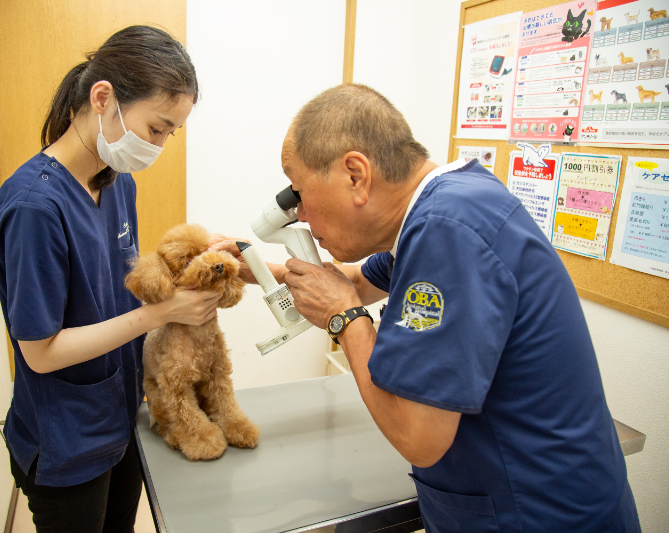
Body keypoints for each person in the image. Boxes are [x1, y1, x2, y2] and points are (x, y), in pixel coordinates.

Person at [216, 84, 641, 532]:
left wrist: (344, 319)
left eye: (300, 193)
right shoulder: (446, 204)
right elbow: (358, 283)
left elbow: (419, 437)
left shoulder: (446, 232)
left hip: (536, 514)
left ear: (356, 175)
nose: (298, 214)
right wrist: (258, 268)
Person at [0, 26, 222, 532]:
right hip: (67, 440)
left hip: (120, 414)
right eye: (157, 128)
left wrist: (206, 261)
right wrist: (163, 314)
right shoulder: (34, 207)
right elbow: (41, 351)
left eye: (169, 134)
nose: (159, 145)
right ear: (103, 98)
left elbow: (126, 282)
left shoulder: (117, 183)